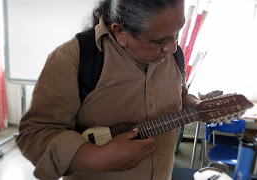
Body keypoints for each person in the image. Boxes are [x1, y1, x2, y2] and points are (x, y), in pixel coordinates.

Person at [16, 0, 199, 179]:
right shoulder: (74, 59)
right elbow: (34, 135)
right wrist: (96, 157)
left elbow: (179, 97)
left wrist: (198, 106)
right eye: (158, 41)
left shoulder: (174, 55)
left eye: (177, 32)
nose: (173, 46)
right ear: (120, 32)